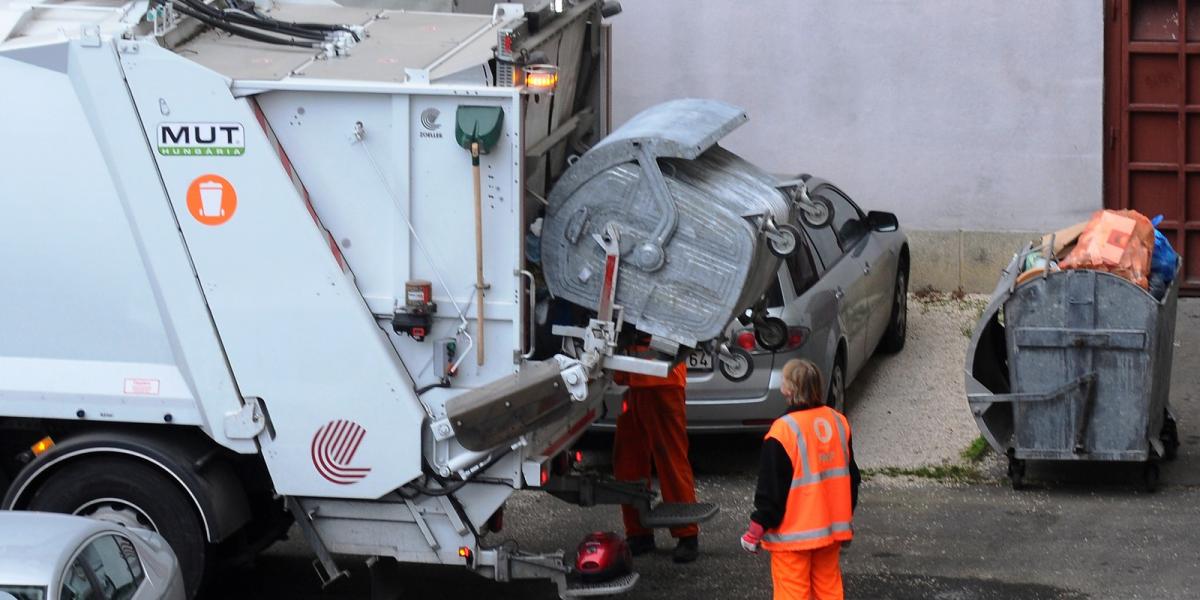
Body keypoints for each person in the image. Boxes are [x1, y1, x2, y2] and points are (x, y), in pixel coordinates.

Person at [739, 358, 860, 599]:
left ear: (789, 389)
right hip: (830, 531)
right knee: (828, 590)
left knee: (792, 592)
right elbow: (852, 478)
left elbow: (771, 490)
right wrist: (845, 516)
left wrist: (756, 529)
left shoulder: (783, 431)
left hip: (792, 536)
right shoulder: (838, 422)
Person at [612, 342, 700, 563]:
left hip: (662, 380)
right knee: (627, 462)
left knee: (670, 460)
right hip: (629, 381)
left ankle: (687, 534)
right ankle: (639, 532)